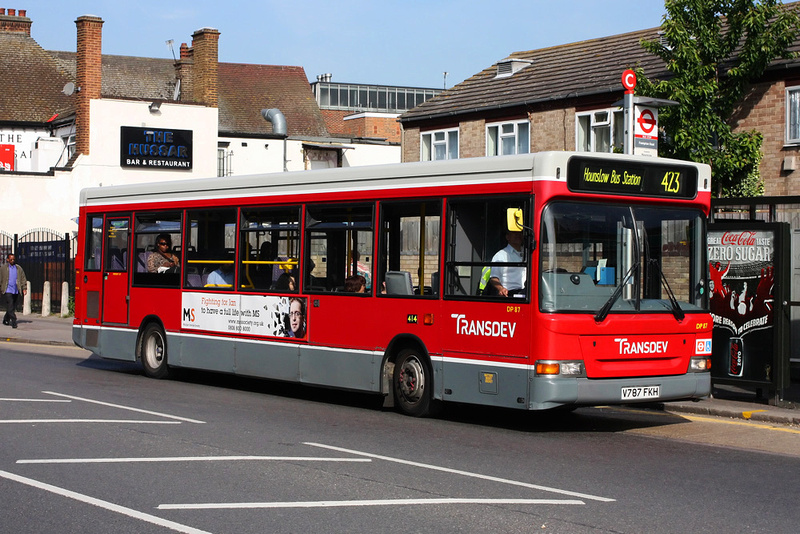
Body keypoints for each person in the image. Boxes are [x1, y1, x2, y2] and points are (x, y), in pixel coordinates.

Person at [479, 230, 526, 297]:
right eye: (514, 233)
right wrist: (501, 289)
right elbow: (494, 278)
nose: (518, 235)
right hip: (510, 294)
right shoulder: (501, 255)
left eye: (520, 233)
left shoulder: (528, 254)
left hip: (527, 293)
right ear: (507, 237)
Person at [1, 253, 27, 329]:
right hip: (7, 289)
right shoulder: (3, 268)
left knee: (12, 306)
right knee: (10, 304)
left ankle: (6, 319)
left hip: (16, 290)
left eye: (14, 259)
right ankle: (14, 320)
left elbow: (23, 278)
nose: (13, 261)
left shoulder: (18, 268)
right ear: (7, 260)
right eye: (11, 259)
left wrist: (24, 288)